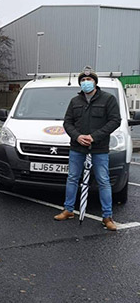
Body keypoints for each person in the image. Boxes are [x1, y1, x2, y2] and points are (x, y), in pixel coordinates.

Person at [54, 66, 121, 230]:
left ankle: (107, 217)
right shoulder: (75, 101)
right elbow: (67, 122)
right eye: (83, 80)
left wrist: (94, 137)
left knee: (103, 181)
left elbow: (115, 121)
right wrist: (77, 136)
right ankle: (68, 210)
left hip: (99, 148)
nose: (86, 82)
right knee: (72, 178)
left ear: (95, 82)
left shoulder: (108, 99)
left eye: (89, 80)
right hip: (77, 148)